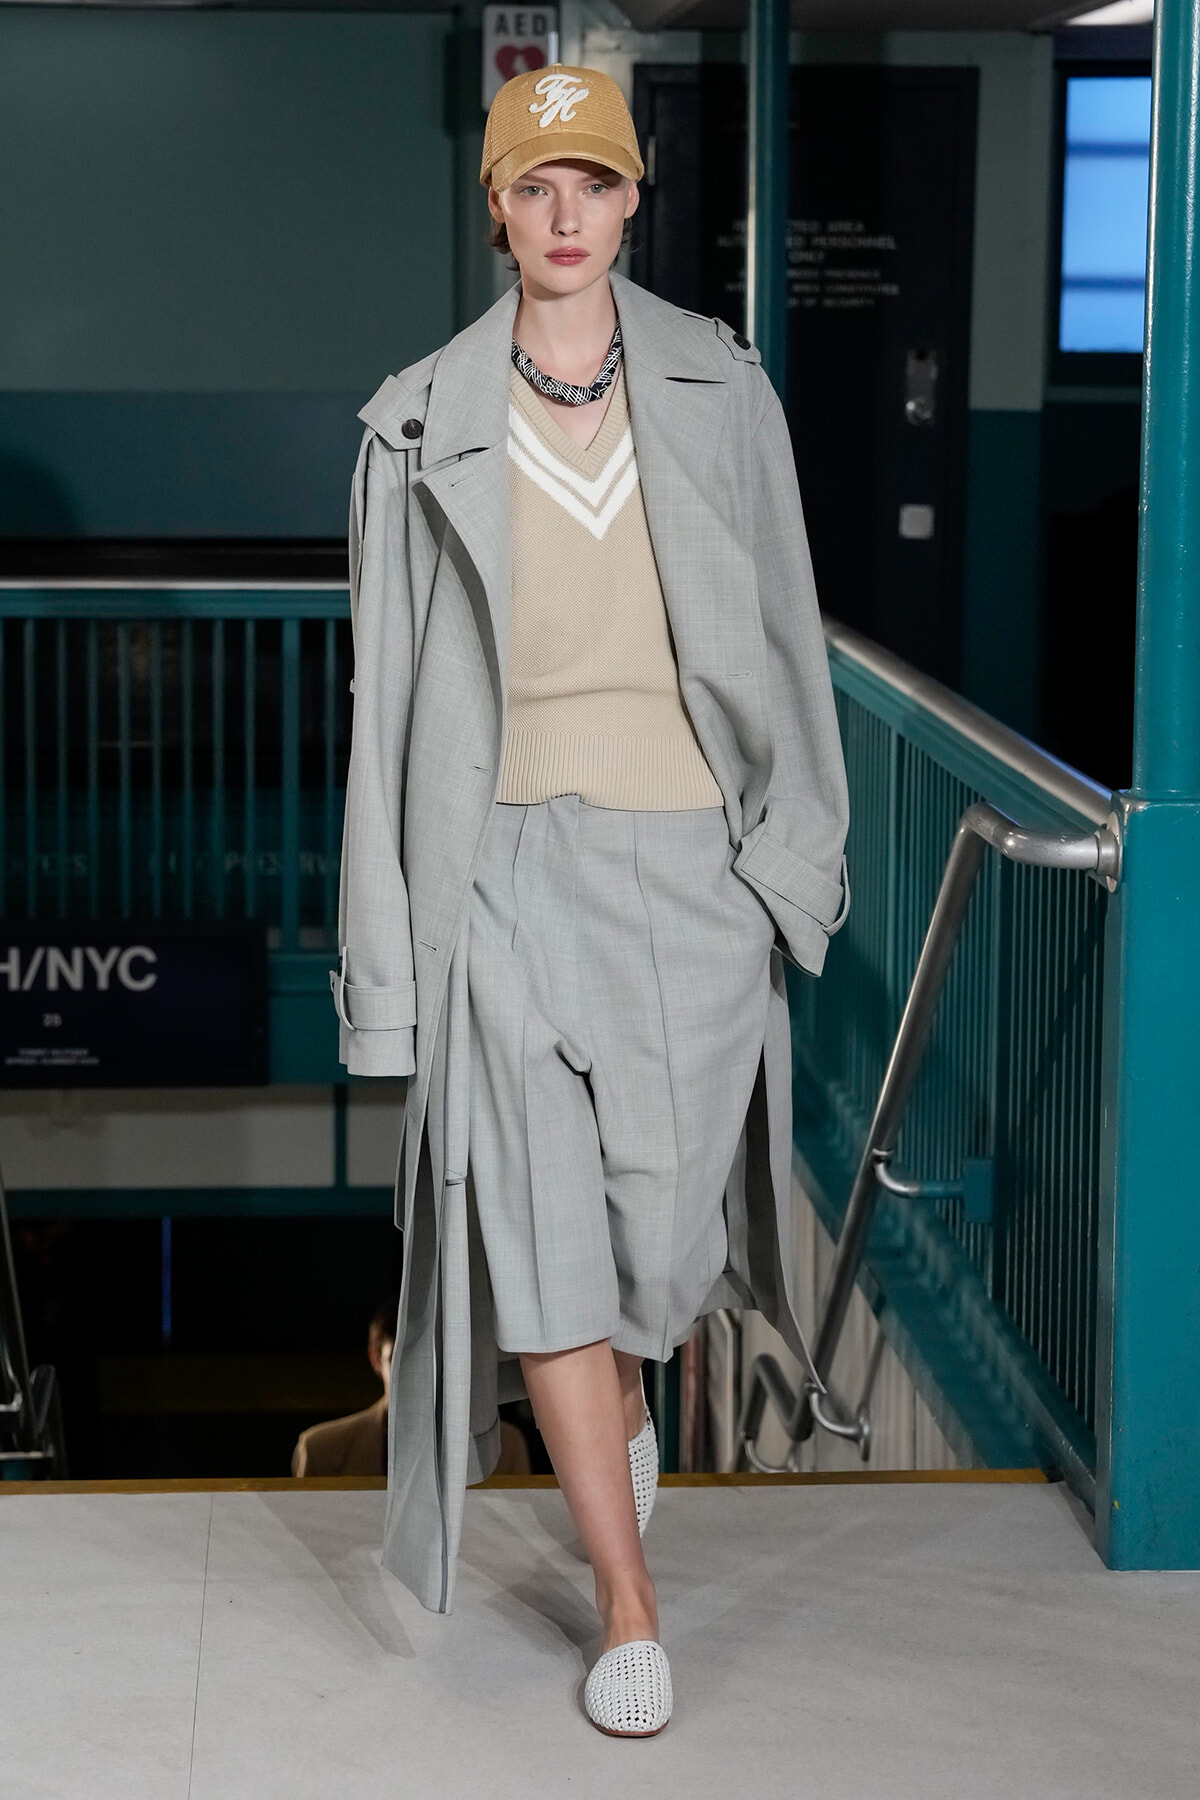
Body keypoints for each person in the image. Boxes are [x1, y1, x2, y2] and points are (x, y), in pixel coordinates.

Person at [330, 62, 850, 1737]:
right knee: (545, 1239)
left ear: (634, 200)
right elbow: (388, 716)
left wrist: (783, 873)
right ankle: (629, 1602)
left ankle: (620, 1399)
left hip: (689, 864)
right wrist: (390, 970)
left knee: (657, 1246)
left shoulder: (720, 391)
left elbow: (789, 640)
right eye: (534, 186)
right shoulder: (416, 423)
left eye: (595, 184)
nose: (565, 216)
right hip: (494, 868)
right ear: (496, 206)